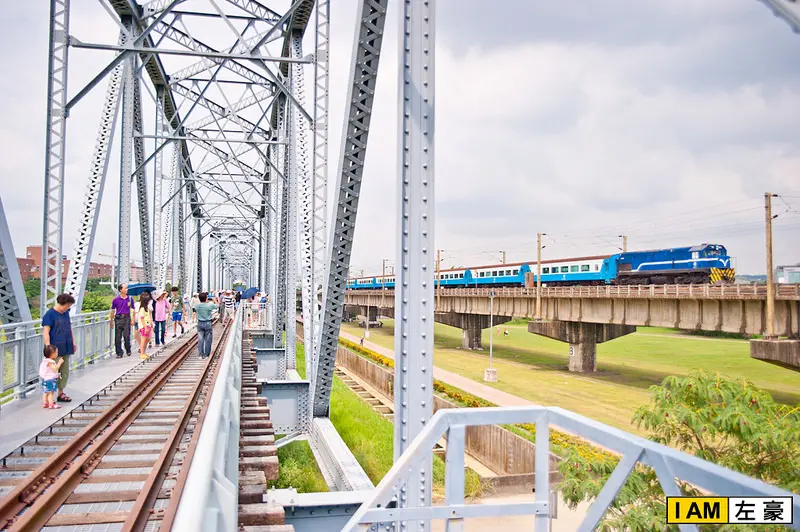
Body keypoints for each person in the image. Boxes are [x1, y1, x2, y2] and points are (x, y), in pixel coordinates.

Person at [42, 293, 76, 403]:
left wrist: (73, 342)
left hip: (66, 345)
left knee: (64, 370)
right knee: (52, 372)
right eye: (67, 305)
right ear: (61, 303)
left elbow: (69, 327)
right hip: (54, 348)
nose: (68, 308)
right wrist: (48, 347)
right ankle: (49, 395)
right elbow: (46, 331)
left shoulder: (66, 313)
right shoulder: (50, 314)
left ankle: (61, 393)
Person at [109, 283, 135, 358]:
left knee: (126, 336)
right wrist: (111, 321)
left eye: (127, 288)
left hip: (127, 318)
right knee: (118, 337)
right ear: (121, 290)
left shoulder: (130, 299)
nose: (127, 289)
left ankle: (128, 349)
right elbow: (112, 310)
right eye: (125, 288)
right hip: (118, 318)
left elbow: (133, 310)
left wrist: (132, 319)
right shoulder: (115, 300)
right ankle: (119, 352)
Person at [195, 292, 219, 358]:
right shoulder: (210, 305)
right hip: (208, 323)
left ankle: (200, 354)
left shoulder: (197, 305)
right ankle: (206, 354)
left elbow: (195, 308)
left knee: (200, 339)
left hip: (200, 323)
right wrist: (215, 300)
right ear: (206, 298)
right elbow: (218, 305)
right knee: (208, 339)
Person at [39, 345, 64, 409]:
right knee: (51, 392)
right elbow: (55, 369)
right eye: (56, 352)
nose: (57, 354)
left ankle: (45, 403)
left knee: (46, 392)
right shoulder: (50, 362)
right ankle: (51, 404)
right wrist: (59, 363)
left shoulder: (45, 361)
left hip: (45, 379)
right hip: (50, 380)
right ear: (52, 353)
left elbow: (50, 371)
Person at [137, 292, 154, 360]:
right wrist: (145, 327)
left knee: (146, 339)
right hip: (144, 326)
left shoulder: (147, 308)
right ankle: (142, 354)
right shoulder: (142, 309)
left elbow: (149, 316)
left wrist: (151, 323)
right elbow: (142, 318)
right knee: (143, 340)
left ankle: (144, 353)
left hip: (148, 326)